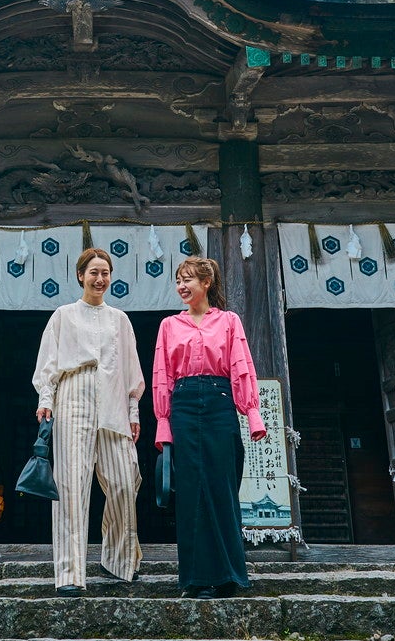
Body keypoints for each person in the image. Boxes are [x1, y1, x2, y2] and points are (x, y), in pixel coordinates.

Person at [31, 247, 145, 596]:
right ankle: (69, 573)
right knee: (70, 487)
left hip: (112, 399)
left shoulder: (120, 320)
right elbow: (48, 364)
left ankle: (119, 560)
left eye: (105, 272)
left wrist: (133, 411)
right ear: (81, 275)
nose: (100, 278)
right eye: (93, 272)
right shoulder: (63, 315)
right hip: (73, 395)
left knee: (126, 482)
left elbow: (130, 369)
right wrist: (45, 400)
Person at [152, 255, 266, 599]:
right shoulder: (169, 325)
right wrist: (163, 425)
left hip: (219, 404)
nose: (181, 286)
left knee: (221, 487)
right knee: (190, 493)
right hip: (184, 407)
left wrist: (253, 414)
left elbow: (241, 367)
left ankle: (229, 576)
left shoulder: (229, 321)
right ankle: (196, 578)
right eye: (178, 280)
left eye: (188, 279)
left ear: (207, 283)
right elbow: (162, 377)